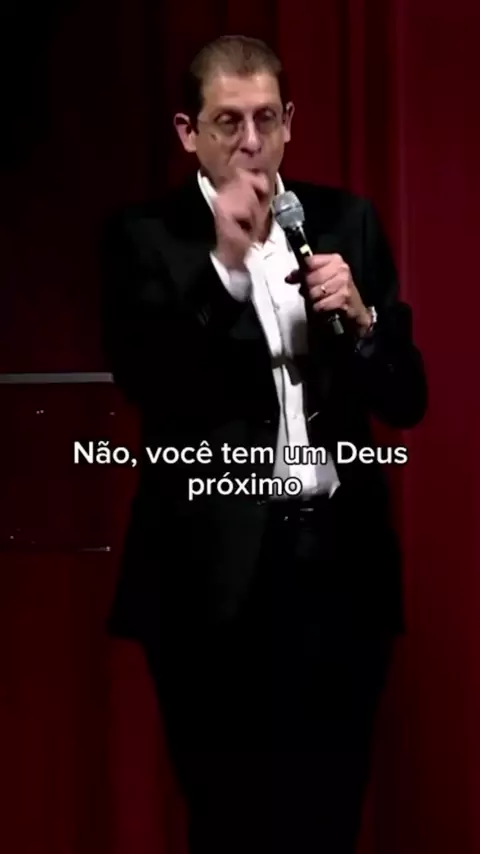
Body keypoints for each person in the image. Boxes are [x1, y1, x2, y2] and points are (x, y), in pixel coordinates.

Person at [99, 34, 427, 854]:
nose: (251, 142)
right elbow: (152, 380)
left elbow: (407, 400)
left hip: (338, 569)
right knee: (231, 823)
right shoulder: (145, 237)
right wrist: (226, 267)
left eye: (267, 119)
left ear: (290, 123)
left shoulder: (345, 219)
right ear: (188, 132)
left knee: (329, 818)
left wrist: (364, 321)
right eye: (228, 121)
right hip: (210, 579)